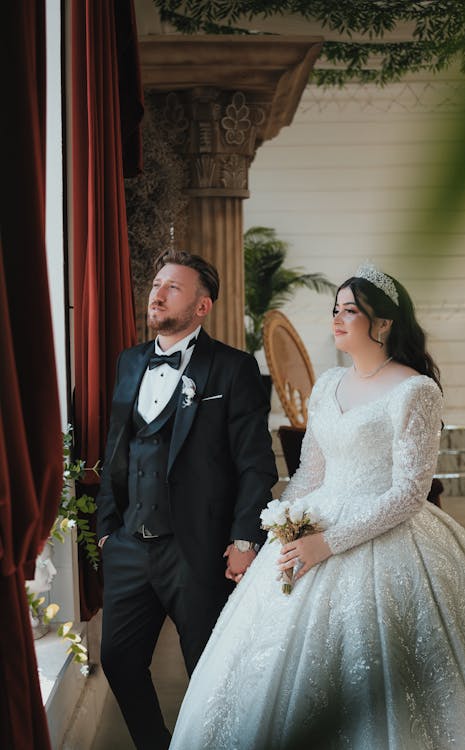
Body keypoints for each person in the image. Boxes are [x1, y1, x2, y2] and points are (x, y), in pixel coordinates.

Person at [170, 263, 465, 750]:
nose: (337, 319)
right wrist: (279, 529)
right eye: (335, 309)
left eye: (351, 310)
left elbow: (410, 493)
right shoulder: (327, 385)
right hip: (316, 522)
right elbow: (310, 474)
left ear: (384, 324)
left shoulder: (416, 391)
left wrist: (326, 544)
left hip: (389, 534)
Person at [96, 250, 277, 750]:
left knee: (209, 669)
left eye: (173, 287)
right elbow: (118, 444)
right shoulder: (130, 361)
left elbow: (255, 463)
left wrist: (246, 537)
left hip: (198, 547)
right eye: (157, 284)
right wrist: (108, 529)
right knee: (119, 660)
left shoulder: (233, 369)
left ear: (202, 306)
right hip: (130, 543)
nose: (157, 293)